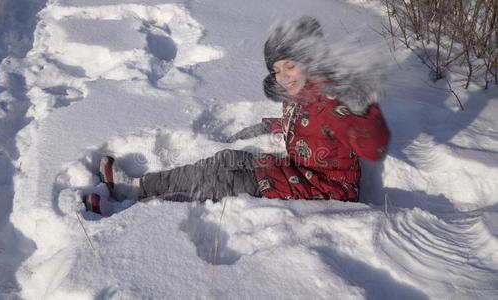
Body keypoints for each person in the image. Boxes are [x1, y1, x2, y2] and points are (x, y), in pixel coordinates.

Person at [83, 16, 390, 215]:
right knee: (225, 160)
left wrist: (363, 108)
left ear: (311, 58)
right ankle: (138, 187)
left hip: (326, 190)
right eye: (276, 70)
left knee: (229, 184)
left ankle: (131, 211)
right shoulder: (298, 91)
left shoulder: (337, 100)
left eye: (290, 66)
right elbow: (299, 124)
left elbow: (372, 146)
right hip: (298, 170)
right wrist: (263, 127)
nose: (283, 76)